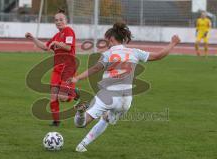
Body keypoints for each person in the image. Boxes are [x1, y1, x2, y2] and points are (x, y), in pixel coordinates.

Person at [68, 22, 180, 152]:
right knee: (106, 119)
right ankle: (82, 145)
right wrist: (173, 43)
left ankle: (81, 112)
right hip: (126, 100)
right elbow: (158, 55)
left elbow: (95, 68)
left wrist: (77, 77)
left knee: (80, 123)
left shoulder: (108, 53)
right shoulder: (135, 52)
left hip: (107, 95)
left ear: (111, 39)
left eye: (107, 40)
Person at [25, 9, 78, 127]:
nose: (58, 22)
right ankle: (56, 121)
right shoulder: (57, 35)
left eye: (61, 19)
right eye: (56, 20)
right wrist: (32, 38)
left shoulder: (68, 31)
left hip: (68, 68)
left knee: (62, 98)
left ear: (66, 20)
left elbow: (68, 48)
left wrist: (56, 43)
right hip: (57, 69)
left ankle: (74, 93)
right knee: (53, 97)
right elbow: (45, 47)